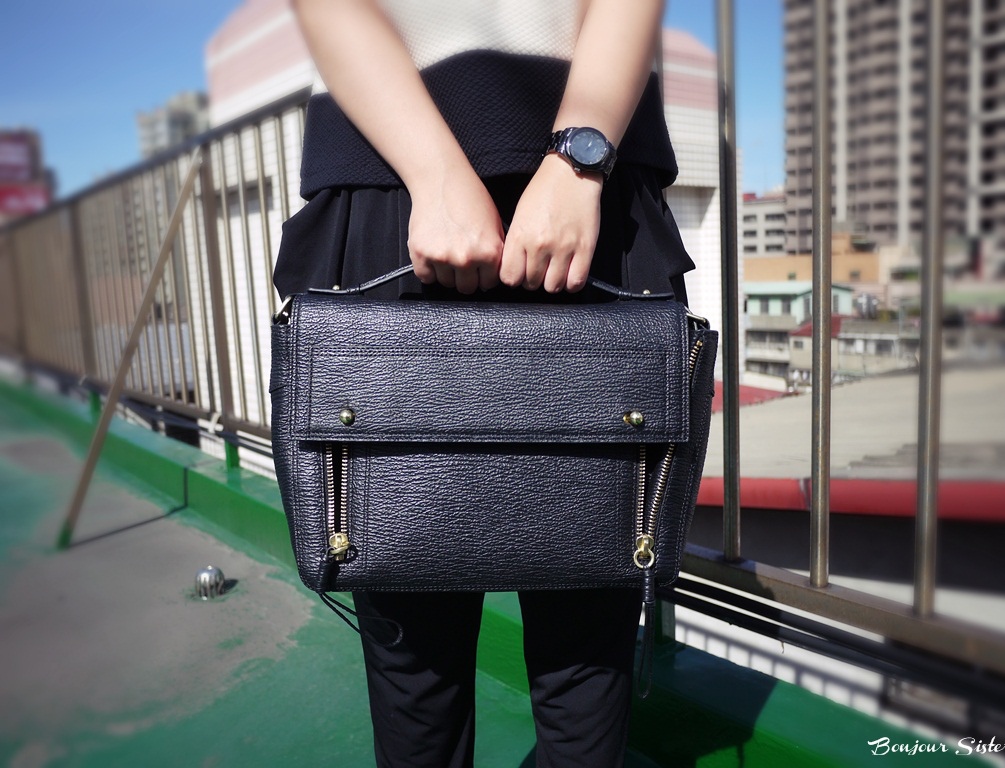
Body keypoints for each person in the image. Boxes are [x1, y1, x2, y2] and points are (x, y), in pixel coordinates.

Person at [275, 1, 696, 765]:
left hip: (583, 195)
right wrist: (438, 174)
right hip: (401, 180)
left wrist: (576, 164)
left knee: (569, 663)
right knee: (431, 665)